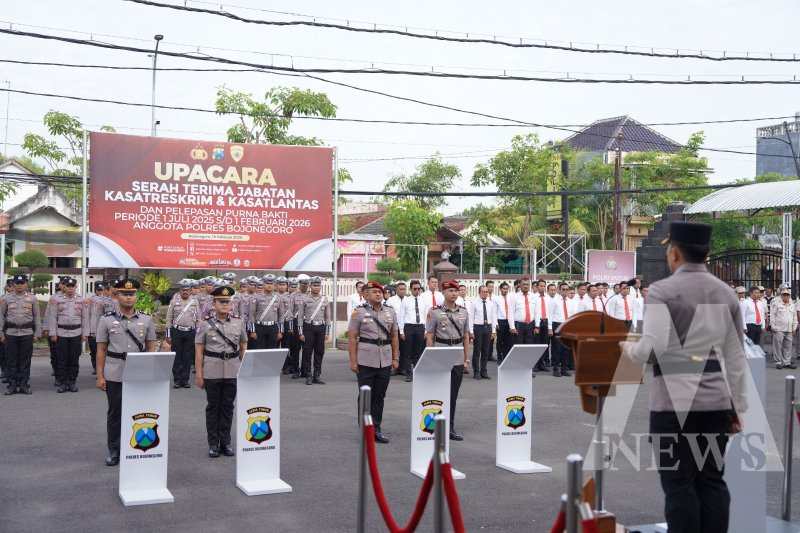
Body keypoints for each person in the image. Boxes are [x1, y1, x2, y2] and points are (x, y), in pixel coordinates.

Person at [620, 221, 747, 533]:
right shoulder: (727, 294)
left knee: (679, 484)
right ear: (706, 253)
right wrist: (737, 408)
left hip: (672, 406)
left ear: (675, 253)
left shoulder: (663, 291)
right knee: (712, 480)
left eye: (668, 250)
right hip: (716, 404)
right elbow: (736, 358)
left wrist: (628, 348)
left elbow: (653, 349)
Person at [95, 278, 158, 466]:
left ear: (136, 296)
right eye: (124, 294)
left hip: (139, 373)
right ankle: (114, 450)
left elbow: (151, 347)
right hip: (115, 372)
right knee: (115, 413)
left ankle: (135, 448)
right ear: (117, 296)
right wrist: (100, 376)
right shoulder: (106, 320)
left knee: (139, 413)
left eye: (132, 294)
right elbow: (101, 350)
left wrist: (150, 373)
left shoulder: (146, 319)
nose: (129, 298)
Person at [195, 285, 248, 458]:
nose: (225, 305)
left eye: (227, 302)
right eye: (221, 302)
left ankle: (225, 442)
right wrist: (199, 374)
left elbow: (243, 346)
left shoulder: (238, 322)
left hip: (232, 369)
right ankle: (213, 443)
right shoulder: (205, 324)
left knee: (228, 407)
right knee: (213, 407)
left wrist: (244, 370)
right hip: (212, 370)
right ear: (214, 304)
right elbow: (199, 351)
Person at [348, 280, 400, 444]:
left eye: (380, 292)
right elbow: (352, 337)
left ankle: (376, 429)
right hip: (365, 360)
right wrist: (353, 361)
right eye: (374, 292)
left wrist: (395, 358)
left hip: (385, 359)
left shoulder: (390, 311)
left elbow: (394, 336)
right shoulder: (359, 312)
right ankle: (365, 430)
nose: (378, 294)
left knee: (379, 396)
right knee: (365, 396)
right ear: (365, 295)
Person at [425, 280, 470, 441]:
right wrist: (430, 357)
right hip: (440, 353)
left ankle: (449, 427)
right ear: (443, 293)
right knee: (438, 393)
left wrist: (466, 358)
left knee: (453, 394)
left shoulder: (464, 312)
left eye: (455, 291)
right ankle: (434, 424)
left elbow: (466, 336)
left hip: (457, 355)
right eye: (450, 291)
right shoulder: (434, 311)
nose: (453, 293)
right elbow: (430, 335)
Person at [0, 274, 42, 394]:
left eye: (22, 283)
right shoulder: (6, 298)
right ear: (13, 284)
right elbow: (1, 316)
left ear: (26, 284)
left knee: (25, 360)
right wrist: (1, 333)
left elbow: (37, 316)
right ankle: (12, 385)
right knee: (11, 360)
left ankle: (24, 384)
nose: (19, 285)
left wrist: (37, 333)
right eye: (17, 283)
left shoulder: (32, 298)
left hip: (27, 333)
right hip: (11, 333)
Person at [48, 276, 88, 393]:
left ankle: (72, 382)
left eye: (72, 286)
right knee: (62, 359)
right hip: (61, 334)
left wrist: (85, 333)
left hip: (76, 333)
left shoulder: (81, 300)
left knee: (74, 359)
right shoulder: (56, 300)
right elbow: (53, 317)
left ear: (76, 287)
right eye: (68, 286)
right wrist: (53, 333)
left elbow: (85, 318)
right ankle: (63, 382)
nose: (70, 289)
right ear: (64, 287)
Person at [164, 279, 199, 388]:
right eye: (183, 290)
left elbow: (198, 318)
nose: (185, 292)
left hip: (190, 332)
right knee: (177, 356)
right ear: (180, 290)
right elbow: (169, 318)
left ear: (190, 291)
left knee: (187, 357)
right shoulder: (174, 301)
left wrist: (198, 334)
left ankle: (185, 380)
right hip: (177, 331)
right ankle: (177, 380)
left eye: (187, 290)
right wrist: (168, 334)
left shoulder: (195, 302)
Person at [298, 276, 330, 385]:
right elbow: (300, 317)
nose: (316, 287)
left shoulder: (324, 299)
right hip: (308, 327)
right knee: (307, 352)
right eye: (314, 285)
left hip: (320, 328)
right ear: (310, 286)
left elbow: (328, 317)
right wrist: (301, 332)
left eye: (318, 285)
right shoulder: (305, 299)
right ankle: (308, 375)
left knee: (319, 352)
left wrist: (327, 332)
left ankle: (317, 375)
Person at [398, 279, 427, 382]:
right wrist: (401, 331)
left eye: (419, 289)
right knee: (407, 352)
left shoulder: (423, 300)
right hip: (409, 327)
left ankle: (417, 372)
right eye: (415, 289)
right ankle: (409, 373)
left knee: (418, 351)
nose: (417, 291)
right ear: (410, 289)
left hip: (420, 327)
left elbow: (426, 316)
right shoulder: (405, 300)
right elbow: (401, 316)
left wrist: (426, 330)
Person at [468, 285, 496, 379]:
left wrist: (493, 331)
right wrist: (471, 331)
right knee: (477, 351)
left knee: (486, 351)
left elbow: (493, 317)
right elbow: (471, 317)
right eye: (483, 291)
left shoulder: (491, 303)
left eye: (486, 292)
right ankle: (476, 371)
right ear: (479, 292)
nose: (485, 293)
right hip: (478, 328)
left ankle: (484, 371)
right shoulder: (474, 303)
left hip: (488, 327)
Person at [249, 274, 283, 350]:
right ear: (263, 284)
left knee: (272, 350)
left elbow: (281, 315)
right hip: (259, 327)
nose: (269, 285)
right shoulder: (256, 297)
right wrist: (253, 330)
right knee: (259, 350)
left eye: (271, 283)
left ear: (274, 285)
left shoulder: (278, 298)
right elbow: (252, 315)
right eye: (267, 283)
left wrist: (280, 331)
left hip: (273, 327)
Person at [548, 283, 571, 377]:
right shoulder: (554, 301)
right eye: (563, 289)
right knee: (557, 348)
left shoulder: (571, 301)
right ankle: (556, 369)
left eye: (567, 289)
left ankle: (564, 369)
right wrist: (550, 328)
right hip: (557, 325)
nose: (565, 291)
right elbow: (550, 315)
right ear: (559, 290)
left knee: (566, 348)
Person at [771, 287, 797, 369]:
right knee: (778, 346)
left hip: (789, 329)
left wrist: (794, 328)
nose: (786, 296)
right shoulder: (777, 304)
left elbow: (795, 317)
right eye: (784, 295)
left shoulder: (792, 305)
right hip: (779, 328)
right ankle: (778, 362)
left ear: (789, 296)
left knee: (788, 346)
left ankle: (787, 362)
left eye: (787, 295)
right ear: (781, 296)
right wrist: (773, 327)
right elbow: (772, 316)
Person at [386, 281, 407, 376]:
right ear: (396, 290)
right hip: (394, 327)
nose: (403, 291)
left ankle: (402, 368)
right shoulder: (391, 300)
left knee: (404, 348)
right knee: (394, 347)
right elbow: (387, 313)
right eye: (401, 289)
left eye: (404, 289)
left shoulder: (408, 300)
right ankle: (394, 367)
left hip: (405, 327)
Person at [510, 278, 536, 346]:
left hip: (530, 325)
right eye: (524, 284)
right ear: (520, 285)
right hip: (519, 325)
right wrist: (512, 327)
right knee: (518, 346)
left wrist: (537, 326)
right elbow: (510, 313)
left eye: (527, 284)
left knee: (529, 346)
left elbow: (537, 312)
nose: (525, 286)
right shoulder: (514, 297)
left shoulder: (534, 296)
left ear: (529, 285)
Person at [493, 282, 514, 364]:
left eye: (507, 289)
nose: (505, 290)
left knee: (508, 341)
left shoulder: (510, 298)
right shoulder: (496, 299)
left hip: (509, 321)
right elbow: (494, 312)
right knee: (500, 340)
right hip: (500, 321)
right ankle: (499, 356)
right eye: (504, 289)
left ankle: (506, 357)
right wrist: (496, 323)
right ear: (500, 289)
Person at [533, 279, 551, 372]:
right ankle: (535, 364)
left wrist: (550, 327)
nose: (542, 287)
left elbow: (550, 313)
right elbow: (534, 312)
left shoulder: (548, 298)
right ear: (537, 287)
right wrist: (536, 326)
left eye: (544, 286)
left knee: (544, 344)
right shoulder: (533, 297)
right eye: (541, 286)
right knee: (536, 344)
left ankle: (542, 364)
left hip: (546, 322)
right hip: (537, 323)